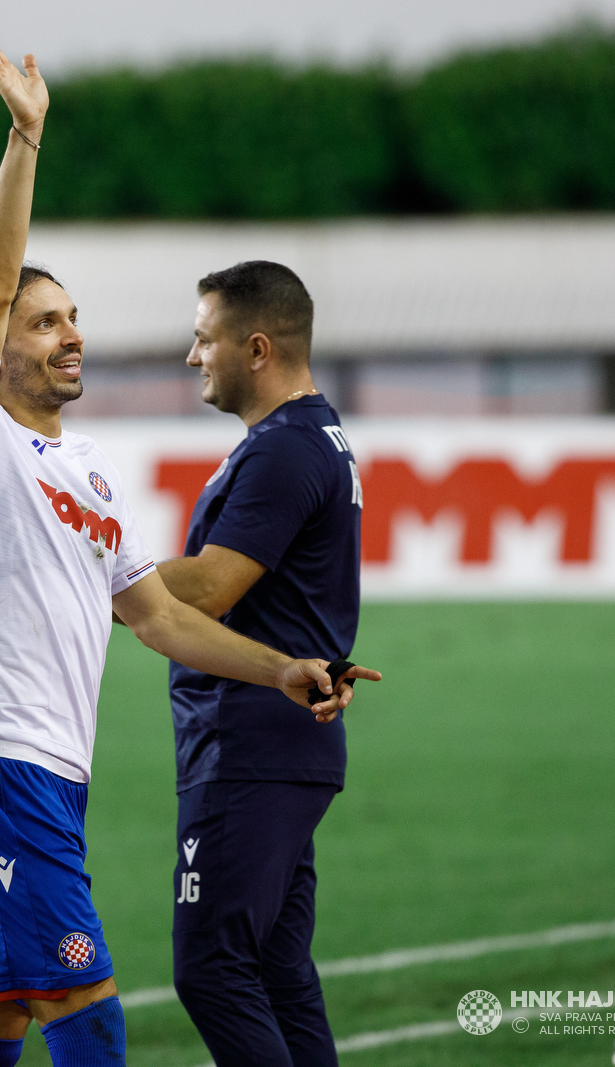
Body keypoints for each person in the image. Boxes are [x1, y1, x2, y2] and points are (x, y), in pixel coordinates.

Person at [0, 26, 379, 1067]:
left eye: (72, 317)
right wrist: (24, 139)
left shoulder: (88, 478)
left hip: (47, 770)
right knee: (90, 1016)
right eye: (42, 322)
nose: (67, 333)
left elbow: (161, 615)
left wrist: (285, 667)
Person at [156, 261, 365, 1067]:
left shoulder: (283, 449)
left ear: (256, 347)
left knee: (211, 969)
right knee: (275, 968)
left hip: (247, 746)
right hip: (281, 746)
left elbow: (209, 587)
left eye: (204, 338)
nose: (191, 355)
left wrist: (84, 564)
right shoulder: (308, 436)